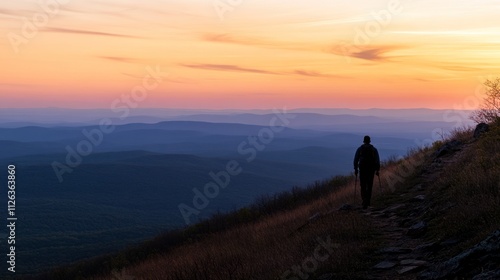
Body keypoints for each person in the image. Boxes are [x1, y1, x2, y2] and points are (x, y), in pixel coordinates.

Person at [353, 135, 380, 209]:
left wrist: (355, 169)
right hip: (371, 170)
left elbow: (356, 160)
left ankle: (364, 201)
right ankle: (368, 201)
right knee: (370, 185)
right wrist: (377, 170)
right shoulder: (374, 149)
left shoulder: (360, 149)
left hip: (362, 170)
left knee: (363, 185)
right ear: (369, 141)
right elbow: (377, 160)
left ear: (364, 141)